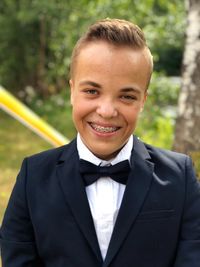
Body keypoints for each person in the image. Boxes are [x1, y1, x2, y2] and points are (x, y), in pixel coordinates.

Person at [0, 18, 200, 267]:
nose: (106, 111)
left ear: (143, 101)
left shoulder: (179, 177)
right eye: (92, 91)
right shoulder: (33, 177)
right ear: (72, 91)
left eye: (126, 96)